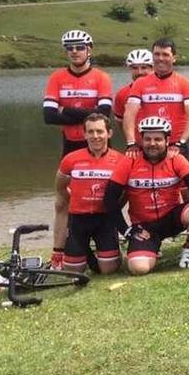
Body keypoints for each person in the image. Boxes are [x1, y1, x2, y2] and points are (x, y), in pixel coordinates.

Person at [104, 117, 189, 274]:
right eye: (147, 139)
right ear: (141, 140)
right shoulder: (129, 161)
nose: (152, 143)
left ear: (167, 140)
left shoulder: (176, 159)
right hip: (144, 226)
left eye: (158, 139)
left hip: (172, 218)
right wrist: (126, 230)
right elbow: (109, 198)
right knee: (138, 268)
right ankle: (152, 249)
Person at [52, 113, 125, 274]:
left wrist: (115, 207)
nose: (95, 136)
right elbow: (60, 187)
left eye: (100, 131)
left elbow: (125, 192)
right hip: (78, 219)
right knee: (73, 271)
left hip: (104, 219)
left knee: (109, 270)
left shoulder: (120, 160)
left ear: (109, 133)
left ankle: (98, 254)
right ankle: (82, 251)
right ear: (84, 134)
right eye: (90, 132)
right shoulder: (70, 159)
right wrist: (73, 201)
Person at [122, 38, 189, 160]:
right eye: (157, 54)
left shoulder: (185, 83)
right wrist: (131, 143)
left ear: (174, 58)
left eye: (165, 54)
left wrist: (182, 142)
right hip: (149, 145)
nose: (161, 58)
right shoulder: (140, 83)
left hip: (176, 145)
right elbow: (129, 114)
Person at [43, 30, 113, 157]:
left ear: (89, 51)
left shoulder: (102, 77)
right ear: (66, 52)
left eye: (80, 47)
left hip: (99, 141)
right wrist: (92, 114)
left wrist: (65, 110)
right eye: (70, 48)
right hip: (70, 141)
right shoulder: (56, 77)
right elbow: (49, 116)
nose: (74, 51)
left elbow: (104, 114)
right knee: (67, 176)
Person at [114, 49, 153, 143]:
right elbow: (120, 123)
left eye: (144, 68)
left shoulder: (163, 90)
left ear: (152, 68)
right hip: (136, 145)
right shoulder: (122, 94)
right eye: (135, 68)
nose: (139, 72)